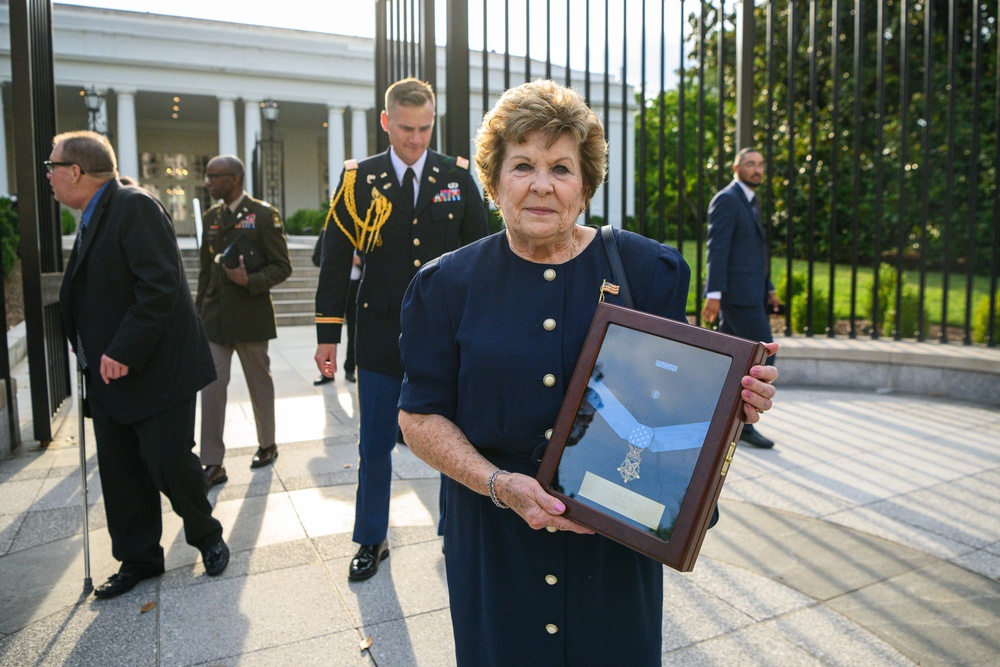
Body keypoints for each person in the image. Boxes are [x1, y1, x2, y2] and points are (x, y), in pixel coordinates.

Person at [396, 80, 778, 665]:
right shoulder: (445, 286)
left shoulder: (649, 270)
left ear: (587, 183)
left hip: (615, 544)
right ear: (494, 182)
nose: (542, 185)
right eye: (522, 165)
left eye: (562, 168)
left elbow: (676, 397)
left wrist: (730, 403)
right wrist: (499, 484)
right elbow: (419, 415)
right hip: (496, 540)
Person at [314, 77, 488, 581]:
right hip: (379, 331)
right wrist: (328, 333)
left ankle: (454, 531)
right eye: (407, 129)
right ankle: (371, 538)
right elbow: (333, 262)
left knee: (454, 439)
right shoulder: (358, 180)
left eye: (426, 128)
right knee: (374, 443)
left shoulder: (454, 175)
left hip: (444, 334)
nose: (416, 140)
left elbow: (480, 253)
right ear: (387, 122)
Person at [53, 130, 229, 599]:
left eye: (52, 167)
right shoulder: (92, 217)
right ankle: (139, 558)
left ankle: (207, 536)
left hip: (156, 368)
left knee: (168, 460)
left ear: (75, 171)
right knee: (120, 468)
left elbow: (160, 286)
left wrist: (123, 350)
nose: (48, 177)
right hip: (108, 376)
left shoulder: (133, 206)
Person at [196, 155, 292, 487]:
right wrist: (197, 317)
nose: (208, 182)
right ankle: (212, 463)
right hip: (215, 318)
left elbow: (283, 266)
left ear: (235, 178)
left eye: (214, 177)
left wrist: (249, 280)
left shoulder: (264, 216)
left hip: (250, 317)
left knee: (258, 384)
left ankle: (267, 444)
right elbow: (205, 272)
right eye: (207, 176)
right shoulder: (211, 217)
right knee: (211, 388)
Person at [701, 147, 782, 449]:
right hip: (737, 298)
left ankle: (717, 418)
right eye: (750, 164)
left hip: (752, 293)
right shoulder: (727, 199)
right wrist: (714, 295)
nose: (757, 169)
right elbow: (717, 249)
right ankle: (742, 424)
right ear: (736, 167)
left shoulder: (750, 201)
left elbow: (753, 252)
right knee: (764, 356)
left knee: (730, 363)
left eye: (760, 164)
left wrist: (769, 287)